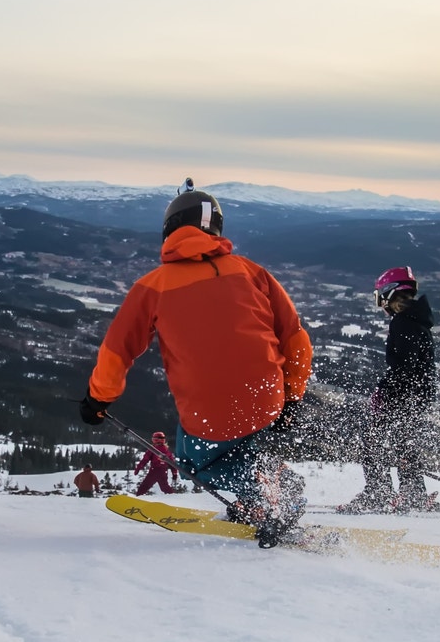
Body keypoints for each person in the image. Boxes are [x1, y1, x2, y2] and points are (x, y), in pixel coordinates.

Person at [78, 179, 314, 546]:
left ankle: (266, 497)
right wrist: (293, 394)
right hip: (269, 397)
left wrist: (98, 400)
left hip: (209, 410)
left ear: (170, 228)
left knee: (193, 460)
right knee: (246, 442)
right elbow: (296, 338)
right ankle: (263, 488)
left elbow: (117, 350)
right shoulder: (252, 272)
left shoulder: (152, 286)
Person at [339, 266, 439, 513]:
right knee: (403, 441)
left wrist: (384, 391)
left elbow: (405, 366)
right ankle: (413, 493)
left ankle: (379, 493)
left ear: (390, 294)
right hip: (417, 393)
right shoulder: (415, 319)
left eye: (381, 296)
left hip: (405, 394)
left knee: (373, 441)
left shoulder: (403, 323)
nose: (380, 302)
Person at [133, 431, 180, 495]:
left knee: (144, 486)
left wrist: (138, 468)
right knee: (164, 487)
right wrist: (174, 473)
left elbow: (145, 460)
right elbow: (172, 464)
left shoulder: (153, 449)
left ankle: (138, 497)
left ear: (156, 440)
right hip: (163, 471)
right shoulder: (167, 450)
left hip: (154, 470)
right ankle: (173, 497)